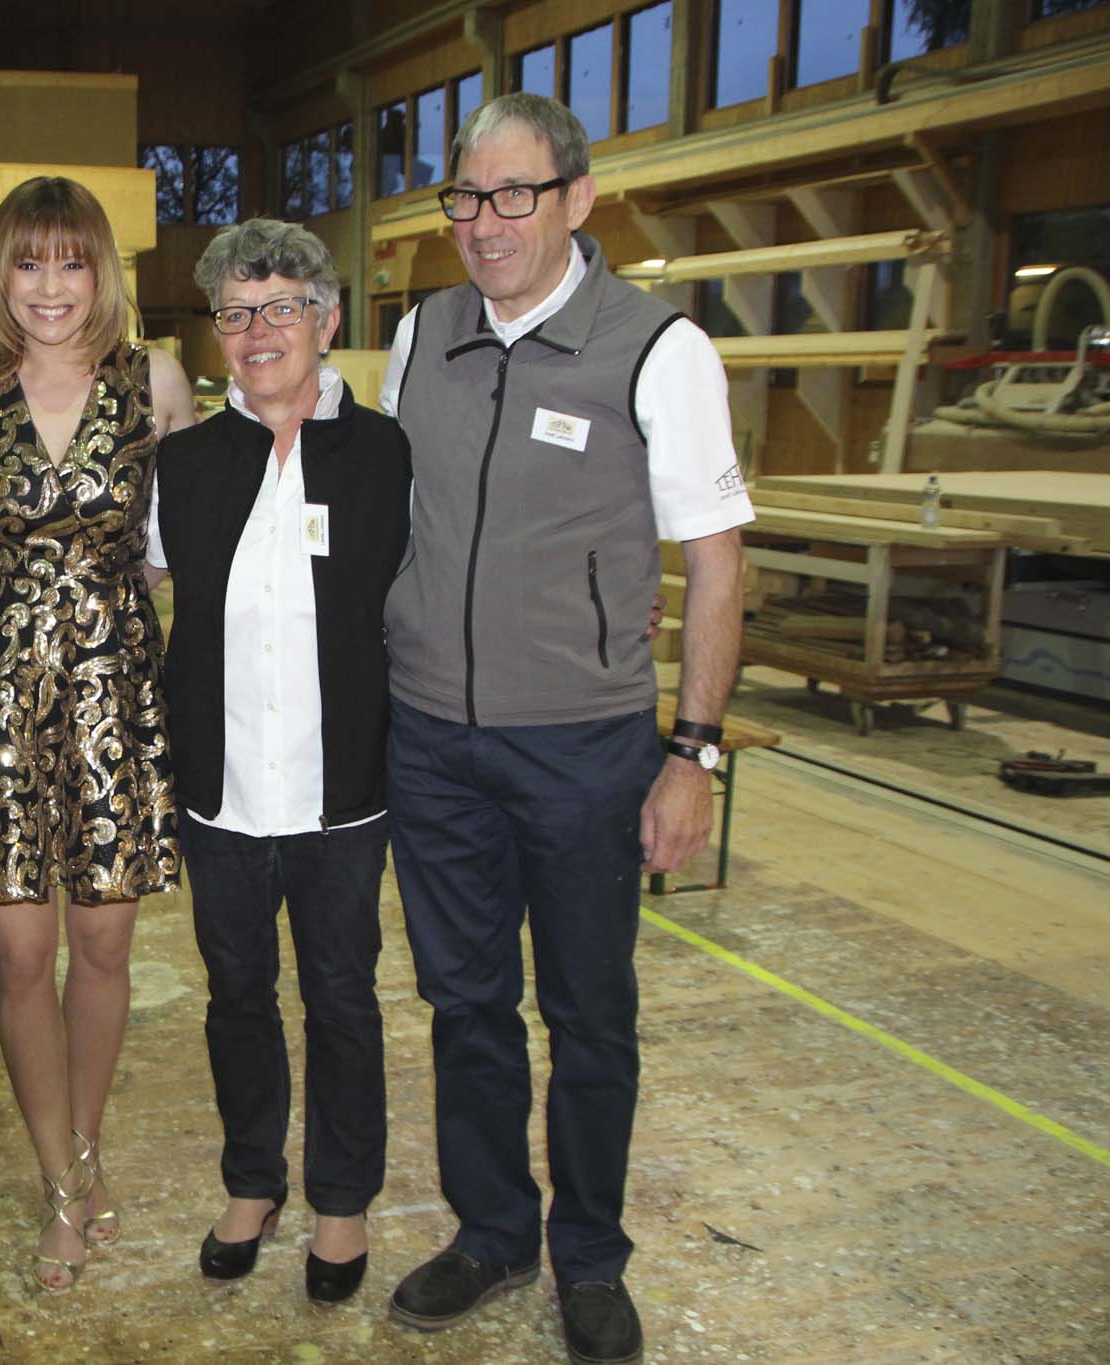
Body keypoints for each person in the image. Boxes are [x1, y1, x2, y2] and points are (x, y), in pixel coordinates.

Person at [376, 93, 754, 1364]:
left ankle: (588, 1257)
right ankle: (492, 1232)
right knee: (464, 1004)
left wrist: (690, 753)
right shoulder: (420, 334)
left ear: (577, 199)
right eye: (463, 199)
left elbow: (714, 562)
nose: (483, 225)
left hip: (583, 749)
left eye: (512, 196)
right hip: (432, 741)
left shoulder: (656, 351)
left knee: (588, 1015)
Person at [146, 220, 410, 1305]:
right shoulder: (184, 464)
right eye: (236, 313)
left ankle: (342, 1198)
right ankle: (252, 1181)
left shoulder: (386, 455)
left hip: (341, 790)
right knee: (237, 995)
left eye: (281, 309)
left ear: (326, 320)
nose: (258, 332)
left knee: (341, 996)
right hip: (222, 791)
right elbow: (145, 590)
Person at [0, 175, 194, 1292]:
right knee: (19, 955)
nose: (50, 286)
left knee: (102, 951)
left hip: (113, 702)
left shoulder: (155, 380)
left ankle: (83, 1150)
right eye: (28, 261)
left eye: (73, 261)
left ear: (103, 271)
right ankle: (57, 1178)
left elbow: (184, 545)